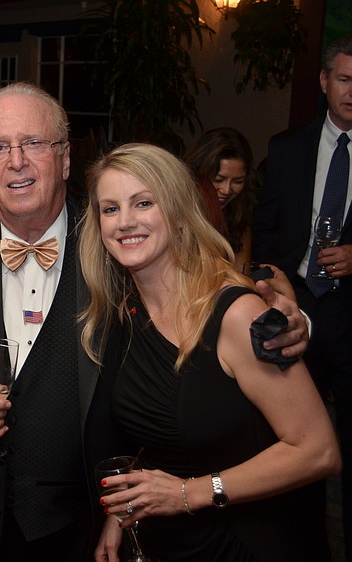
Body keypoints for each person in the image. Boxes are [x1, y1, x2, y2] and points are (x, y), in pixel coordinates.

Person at [0, 81, 310, 562]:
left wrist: (290, 314)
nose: (16, 161)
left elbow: (211, 285)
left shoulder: (119, 237)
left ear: (64, 158)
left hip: (88, 527)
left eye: (34, 144)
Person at [78, 142, 341, 562]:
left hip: (245, 541)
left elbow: (318, 451)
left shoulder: (237, 313)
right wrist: (123, 510)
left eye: (143, 203)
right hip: (171, 538)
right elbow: (161, 428)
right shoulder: (125, 312)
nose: (125, 222)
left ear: (179, 211)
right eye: (110, 209)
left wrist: (188, 493)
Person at [252, 33, 352, 561]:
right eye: (345, 79)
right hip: (298, 316)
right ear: (324, 81)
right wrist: (279, 290)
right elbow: (265, 231)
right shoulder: (287, 148)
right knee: (295, 447)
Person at [184, 126, 256, 274]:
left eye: (238, 181)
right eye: (218, 179)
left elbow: (241, 279)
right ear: (198, 175)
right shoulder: (174, 214)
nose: (226, 190)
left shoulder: (237, 221)